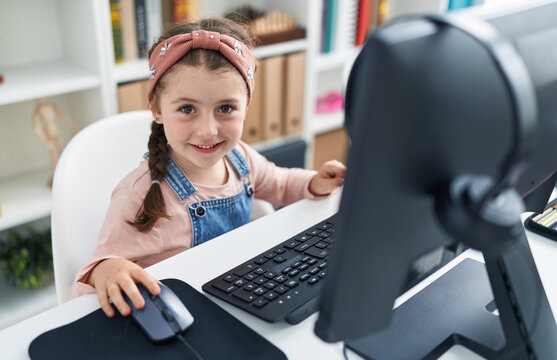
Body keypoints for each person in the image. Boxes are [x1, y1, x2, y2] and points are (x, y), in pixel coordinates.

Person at [70, 17, 346, 318]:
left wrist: (314, 182)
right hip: (184, 319)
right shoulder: (138, 194)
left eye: (225, 108)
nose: (207, 130)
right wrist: (106, 268)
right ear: (157, 109)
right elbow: (82, 288)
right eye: (187, 109)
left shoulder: (241, 158)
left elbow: (280, 183)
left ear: (246, 106)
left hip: (243, 301)